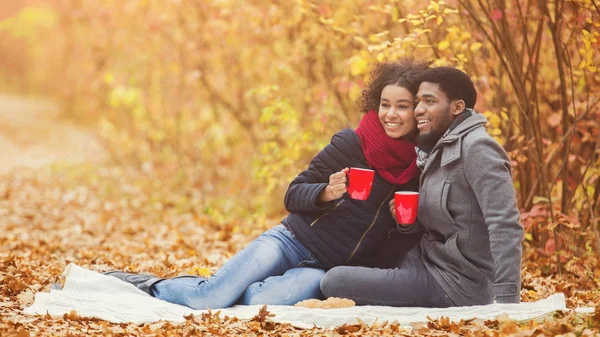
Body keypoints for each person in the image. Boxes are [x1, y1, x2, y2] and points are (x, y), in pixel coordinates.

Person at [104, 58, 429, 310]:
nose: (392, 114)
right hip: (291, 241)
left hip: (326, 270)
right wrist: (326, 193)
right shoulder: (350, 144)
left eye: (402, 106)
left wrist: (403, 227)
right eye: (386, 104)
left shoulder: (419, 169)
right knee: (210, 298)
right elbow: (292, 195)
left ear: (418, 110)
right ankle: (145, 284)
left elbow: (390, 257)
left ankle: (232, 285)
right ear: (376, 103)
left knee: (256, 304)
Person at [320, 66, 524, 307]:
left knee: (333, 281)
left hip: (455, 283)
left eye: (429, 101)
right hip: (424, 260)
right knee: (344, 264)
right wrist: (408, 221)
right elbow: (448, 222)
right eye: (417, 102)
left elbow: (505, 224)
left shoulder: (478, 148)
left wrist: (508, 300)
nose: (418, 110)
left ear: (457, 107)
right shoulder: (437, 148)